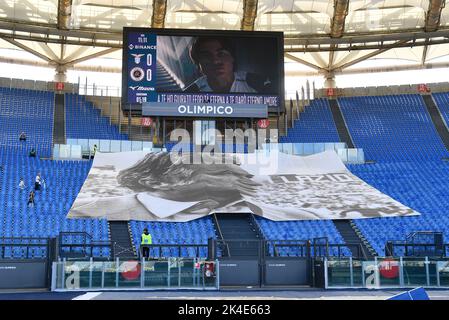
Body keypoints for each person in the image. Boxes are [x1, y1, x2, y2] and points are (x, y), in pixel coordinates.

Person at [183, 37, 273, 94]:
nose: (215, 61)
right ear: (198, 65)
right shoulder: (189, 93)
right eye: (207, 56)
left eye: (221, 54)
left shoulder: (258, 83)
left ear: (232, 57)